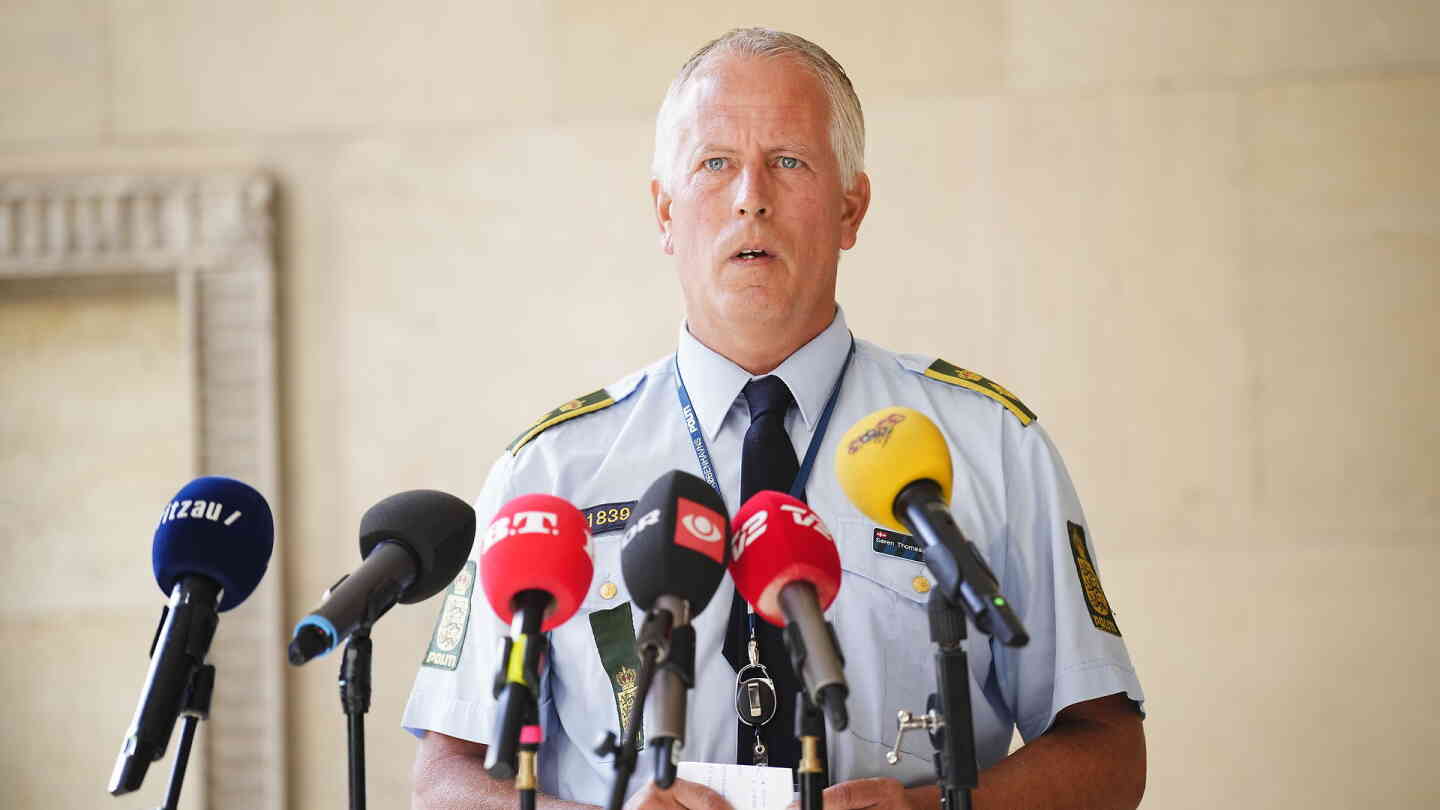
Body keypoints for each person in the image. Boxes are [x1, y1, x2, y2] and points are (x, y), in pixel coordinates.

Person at [406, 28, 1146, 810]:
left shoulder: (987, 445)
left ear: (851, 208)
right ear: (664, 212)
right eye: (714, 163)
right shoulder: (551, 471)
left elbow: (1108, 749)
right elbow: (445, 776)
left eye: (789, 161)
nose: (750, 196)